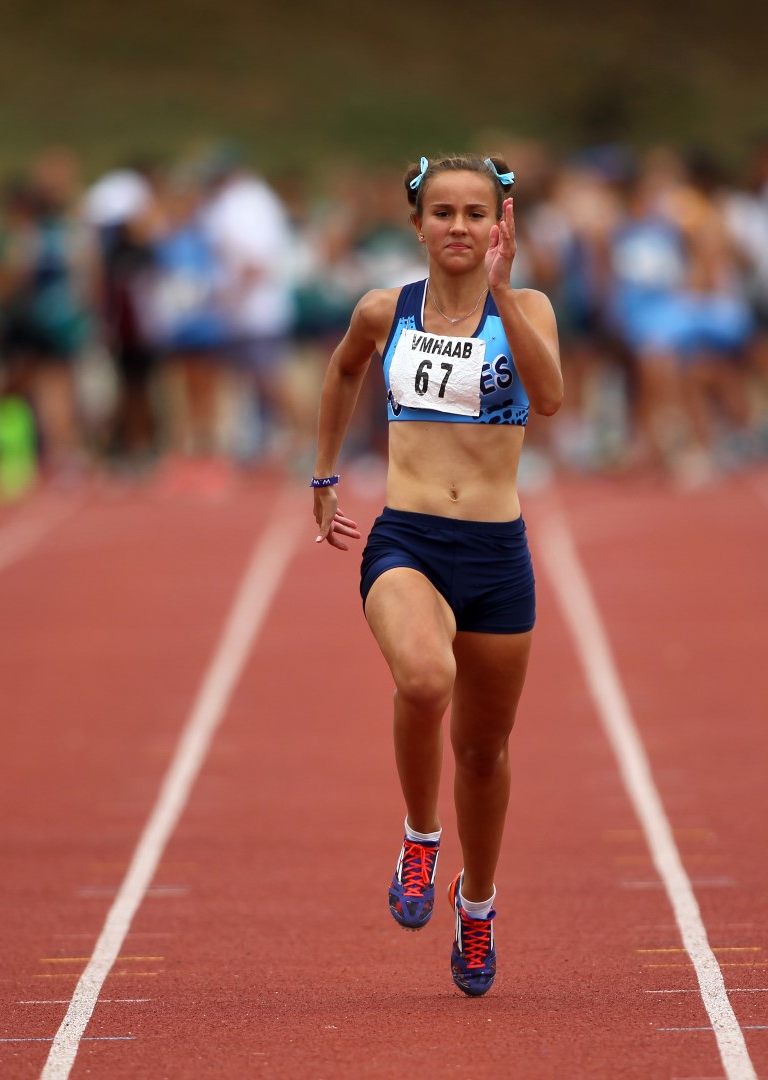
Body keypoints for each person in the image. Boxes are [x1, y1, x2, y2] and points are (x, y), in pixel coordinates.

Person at [311, 154, 563, 996]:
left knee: (484, 753)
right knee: (424, 679)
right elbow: (344, 368)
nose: (459, 227)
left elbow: (550, 397)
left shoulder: (528, 309)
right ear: (417, 224)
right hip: (409, 540)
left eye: (475, 214)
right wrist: (324, 474)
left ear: (500, 225)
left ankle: (477, 903)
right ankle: (421, 837)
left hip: (496, 554)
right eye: (443, 212)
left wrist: (503, 293)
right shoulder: (384, 310)